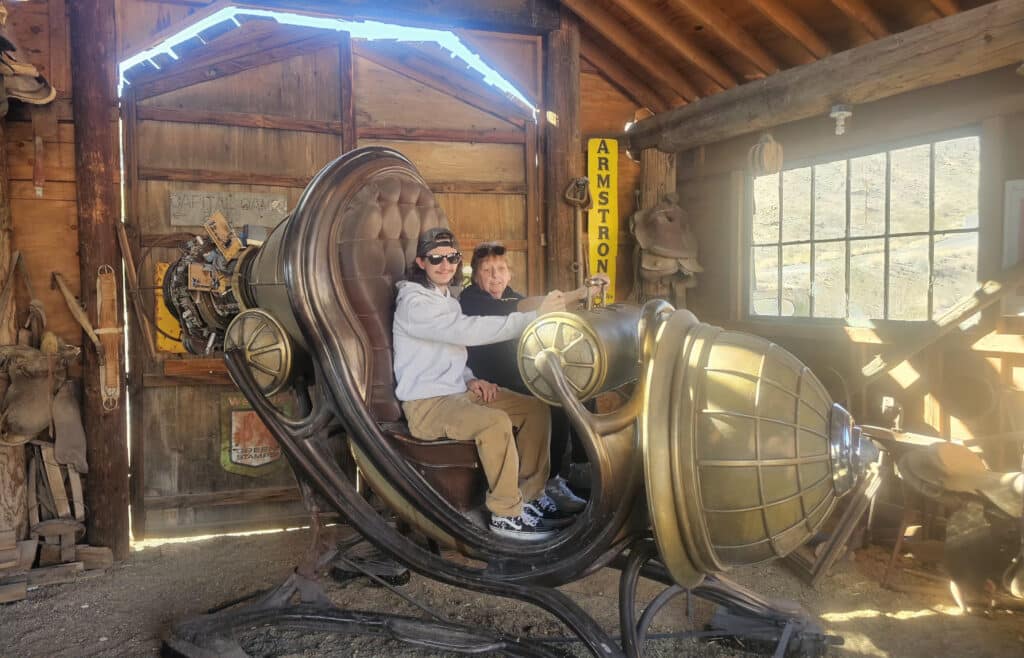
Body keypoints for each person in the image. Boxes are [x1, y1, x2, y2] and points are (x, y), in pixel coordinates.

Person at [392, 228, 573, 541]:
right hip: (426, 405)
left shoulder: (445, 297)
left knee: (535, 409)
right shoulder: (413, 303)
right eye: (436, 258)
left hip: (458, 393)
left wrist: (470, 378)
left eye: (451, 258)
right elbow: (465, 332)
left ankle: (528, 497)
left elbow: (447, 351)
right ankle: (505, 515)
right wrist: (530, 318)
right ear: (421, 262)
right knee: (495, 423)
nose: (445, 264)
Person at [459, 241, 602, 512]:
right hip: (489, 379)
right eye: (487, 270)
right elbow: (526, 307)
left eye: (500, 269)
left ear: (510, 274)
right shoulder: (472, 299)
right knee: (551, 396)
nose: (494, 276)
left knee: (579, 385)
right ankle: (549, 482)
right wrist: (582, 292)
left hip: (519, 371)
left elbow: (537, 311)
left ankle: (581, 467)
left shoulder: (511, 293)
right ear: (475, 276)